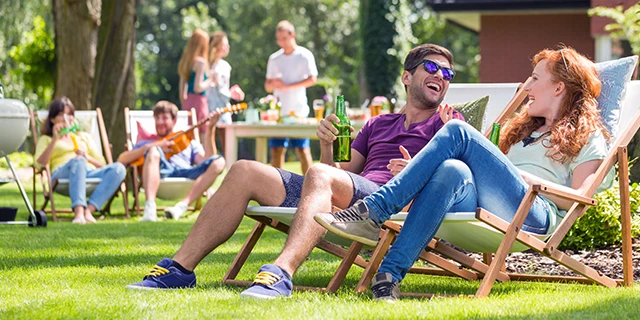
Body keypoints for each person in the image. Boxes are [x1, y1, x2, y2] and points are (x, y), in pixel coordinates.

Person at [125, 43, 463, 296]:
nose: (440, 76)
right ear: (407, 76)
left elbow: (456, 181)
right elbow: (337, 173)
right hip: (350, 196)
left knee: (318, 174)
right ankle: (180, 268)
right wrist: (328, 144)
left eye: (447, 74)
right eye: (432, 68)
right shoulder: (377, 124)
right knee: (244, 169)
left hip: (388, 205)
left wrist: (418, 171)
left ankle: (281, 273)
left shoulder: (449, 125)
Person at [315, 47, 613, 301]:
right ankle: (389, 276)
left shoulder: (589, 138)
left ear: (559, 87)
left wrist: (523, 179)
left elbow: (578, 200)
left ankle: (374, 210)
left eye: (535, 78)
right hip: (487, 203)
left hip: (533, 213)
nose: (526, 87)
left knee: (457, 130)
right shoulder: (523, 130)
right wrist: (425, 166)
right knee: (451, 169)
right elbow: (482, 173)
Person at [117, 101, 226, 221]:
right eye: (157, 118)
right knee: (153, 151)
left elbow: (207, 160)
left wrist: (210, 129)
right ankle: (149, 209)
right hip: (161, 173)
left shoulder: (187, 142)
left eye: (164, 118)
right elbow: (121, 159)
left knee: (219, 161)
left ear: (174, 121)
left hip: (186, 173)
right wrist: (156, 145)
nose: (159, 122)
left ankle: (181, 207)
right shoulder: (146, 144)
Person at [34, 97, 127, 224]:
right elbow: (39, 164)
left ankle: (88, 211)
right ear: (52, 119)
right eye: (61, 115)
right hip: (60, 175)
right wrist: (55, 139)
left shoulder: (83, 137)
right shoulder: (47, 139)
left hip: (88, 172)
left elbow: (103, 165)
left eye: (69, 114)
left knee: (119, 169)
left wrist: (87, 157)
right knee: (78, 162)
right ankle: (78, 212)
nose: (66, 118)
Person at [265, 20, 318, 174]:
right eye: (278, 39)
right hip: (279, 113)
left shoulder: (304, 55)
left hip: (298, 111)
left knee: (302, 150)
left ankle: (310, 184)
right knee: (276, 150)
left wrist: (288, 86)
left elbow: (312, 79)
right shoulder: (274, 58)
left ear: (292, 35)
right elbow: (267, 86)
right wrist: (273, 83)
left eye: (284, 38)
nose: (281, 42)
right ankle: (275, 189)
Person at [206, 31, 245, 150]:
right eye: (224, 44)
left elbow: (223, 89)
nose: (227, 47)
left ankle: (229, 165)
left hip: (223, 108)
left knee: (226, 141)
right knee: (208, 138)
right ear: (216, 46)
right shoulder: (205, 64)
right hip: (208, 107)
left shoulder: (225, 66)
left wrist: (233, 93)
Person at [178, 29, 212, 123]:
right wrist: (210, 79)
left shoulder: (185, 62)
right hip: (199, 102)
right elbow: (198, 88)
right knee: (202, 134)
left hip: (187, 102)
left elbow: (182, 93)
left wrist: (186, 105)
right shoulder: (200, 63)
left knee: (188, 134)